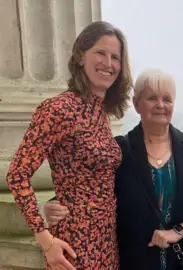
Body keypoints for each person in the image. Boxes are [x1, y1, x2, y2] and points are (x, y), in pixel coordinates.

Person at [44, 69, 183, 270]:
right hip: (134, 260)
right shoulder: (118, 151)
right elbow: (88, 190)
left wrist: (178, 232)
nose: (160, 105)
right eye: (152, 98)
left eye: (167, 99)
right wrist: (51, 207)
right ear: (136, 104)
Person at [6, 21, 133, 270]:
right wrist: (44, 237)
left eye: (115, 57)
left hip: (106, 241)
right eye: (100, 53)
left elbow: (82, 172)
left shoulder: (102, 113)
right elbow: (17, 174)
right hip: (73, 243)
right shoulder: (58, 109)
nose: (108, 63)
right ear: (80, 56)